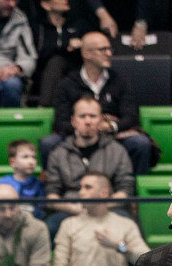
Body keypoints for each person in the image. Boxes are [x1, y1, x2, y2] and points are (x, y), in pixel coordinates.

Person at [43, 32, 154, 176]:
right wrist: (85, 127)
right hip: (77, 137)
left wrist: (110, 126)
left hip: (112, 136)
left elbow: (131, 117)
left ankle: (132, 189)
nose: (109, 54)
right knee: (48, 143)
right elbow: (61, 121)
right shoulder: (67, 83)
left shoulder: (120, 81)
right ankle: (56, 189)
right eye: (103, 50)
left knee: (140, 143)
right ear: (86, 54)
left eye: (109, 49)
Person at [44, 96, 135, 233]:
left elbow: (125, 190)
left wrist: (101, 207)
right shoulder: (58, 153)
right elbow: (51, 194)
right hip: (71, 210)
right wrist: (71, 208)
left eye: (93, 116)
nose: (88, 121)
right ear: (73, 121)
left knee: (127, 223)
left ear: (101, 120)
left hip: (108, 209)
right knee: (49, 227)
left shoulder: (117, 151)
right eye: (82, 116)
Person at [30, 0, 90, 106]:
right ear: (46, 5)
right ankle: (45, 107)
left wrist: (82, 44)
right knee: (56, 62)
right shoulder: (37, 27)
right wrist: (66, 46)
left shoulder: (78, 24)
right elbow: (38, 53)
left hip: (75, 72)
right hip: (43, 73)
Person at [0, 140, 46, 210]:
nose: (31, 162)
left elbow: (40, 208)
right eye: (25, 157)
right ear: (13, 162)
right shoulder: (4, 183)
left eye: (34, 157)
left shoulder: (38, 184)